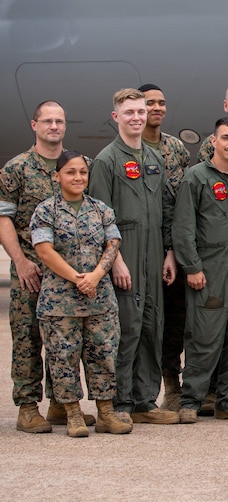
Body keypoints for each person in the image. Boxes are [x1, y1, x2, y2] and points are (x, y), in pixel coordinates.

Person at [1, 101, 95, 432]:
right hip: (31, 271)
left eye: (59, 121)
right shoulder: (17, 168)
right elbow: (4, 219)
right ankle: (28, 407)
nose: (54, 126)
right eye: (48, 121)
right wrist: (21, 262)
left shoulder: (78, 164)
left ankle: (60, 404)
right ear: (34, 125)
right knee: (27, 339)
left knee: (67, 343)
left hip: (68, 274)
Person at [88, 88, 179, 425]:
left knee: (153, 327)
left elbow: (165, 209)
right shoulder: (106, 161)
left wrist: (169, 253)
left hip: (155, 254)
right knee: (127, 330)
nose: (137, 118)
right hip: (125, 254)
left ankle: (145, 401)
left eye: (141, 112)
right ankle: (120, 403)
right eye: (129, 113)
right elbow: (99, 218)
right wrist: (116, 261)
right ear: (116, 117)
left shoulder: (154, 159)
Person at [30, 151, 131, 437]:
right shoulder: (46, 210)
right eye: (71, 172)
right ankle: (72, 414)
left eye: (83, 172)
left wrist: (96, 276)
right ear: (57, 176)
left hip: (99, 300)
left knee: (104, 356)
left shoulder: (101, 209)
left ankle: (106, 413)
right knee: (63, 359)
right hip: (60, 303)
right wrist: (76, 278)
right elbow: (44, 251)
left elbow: (112, 244)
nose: (78, 177)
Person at [173, 118, 228, 423]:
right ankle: (191, 400)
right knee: (204, 336)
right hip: (209, 268)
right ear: (214, 141)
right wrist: (192, 267)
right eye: (225, 138)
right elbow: (183, 227)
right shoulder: (196, 178)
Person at [139, 83, 192, 414]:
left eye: (160, 103)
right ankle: (139, 391)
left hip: (173, 248)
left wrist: (174, 249)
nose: (156, 108)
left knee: (174, 321)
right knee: (142, 323)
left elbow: (181, 203)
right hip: (140, 248)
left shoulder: (176, 148)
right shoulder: (128, 149)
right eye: (149, 103)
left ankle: (172, 385)